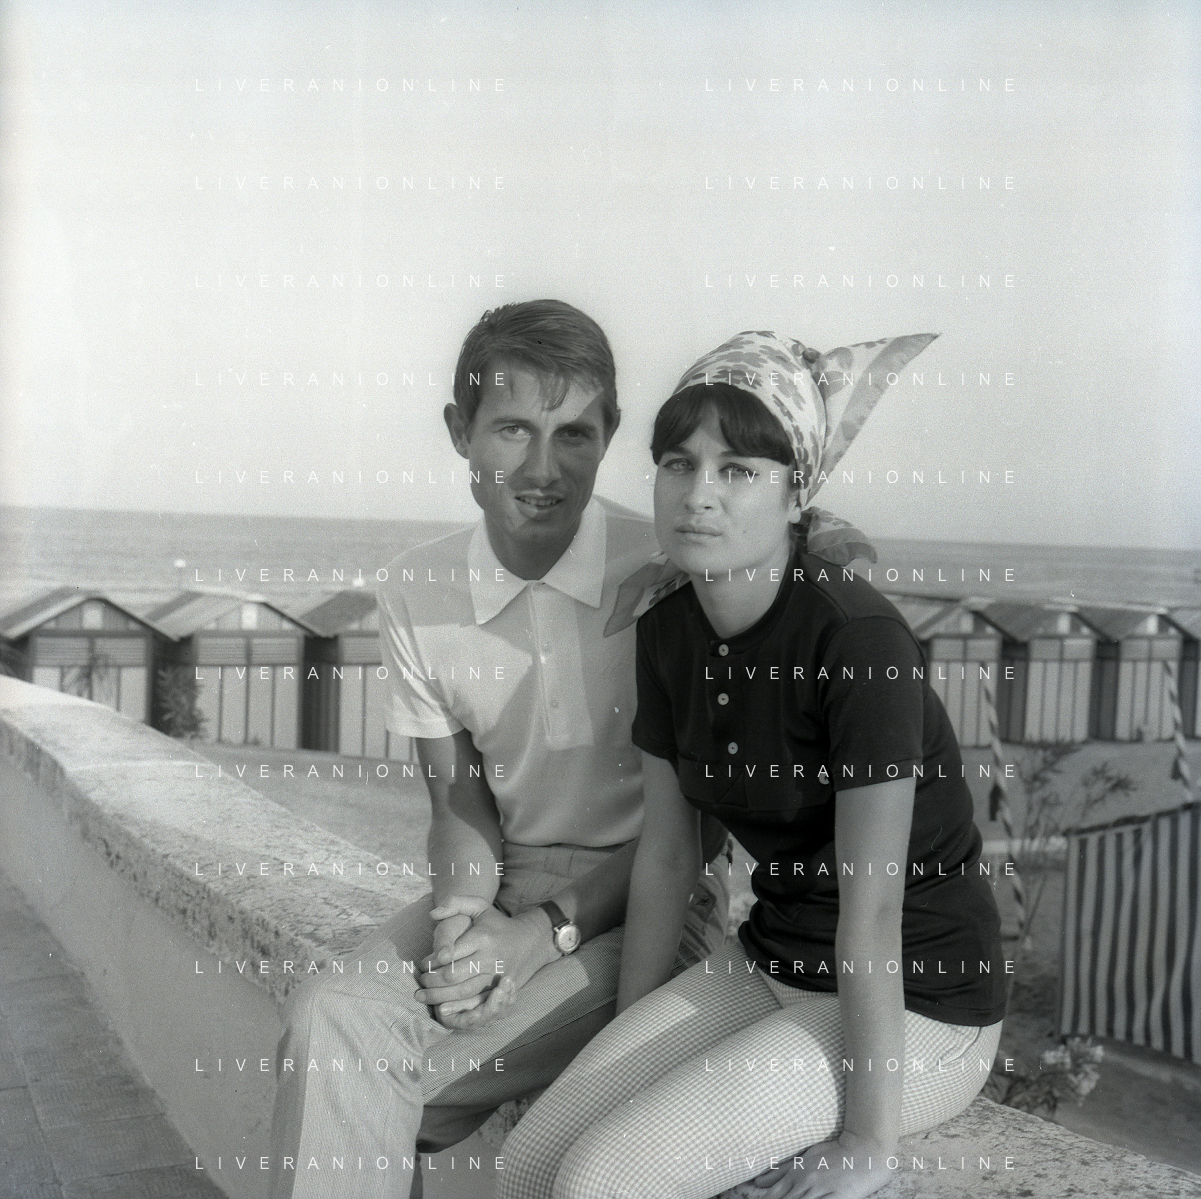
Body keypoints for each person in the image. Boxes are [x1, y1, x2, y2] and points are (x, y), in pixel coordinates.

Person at [499, 330, 1008, 1199]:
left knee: (598, 1181)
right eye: (677, 463)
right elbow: (669, 856)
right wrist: (628, 1056)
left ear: (795, 490)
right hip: (770, 964)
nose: (698, 493)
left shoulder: (857, 641)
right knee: (528, 1164)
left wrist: (867, 1140)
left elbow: (874, 906)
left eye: (737, 469)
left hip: (918, 1002)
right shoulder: (668, 630)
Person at [266, 300, 729, 1199]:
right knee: (329, 1017)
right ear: (460, 432)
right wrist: (460, 924)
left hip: (654, 898)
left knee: (370, 1080)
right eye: (513, 429)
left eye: (574, 434)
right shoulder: (415, 589)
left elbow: (698, 829)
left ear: (611, 433)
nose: (543, 468)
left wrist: (540, 935)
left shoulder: (668, 571)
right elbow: (459, 803)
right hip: (506, 877)